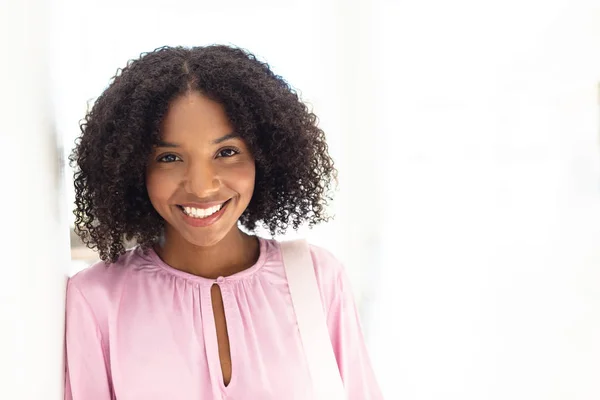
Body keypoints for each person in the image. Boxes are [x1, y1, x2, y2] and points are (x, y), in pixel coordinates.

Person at [65, 45, 382, 399]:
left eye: (226, 152)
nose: (201, 186)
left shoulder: (318, 278)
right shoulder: (95, 300)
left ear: (265, 156)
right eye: (169, 157)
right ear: (133, 167)